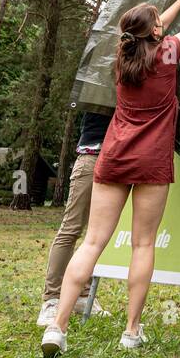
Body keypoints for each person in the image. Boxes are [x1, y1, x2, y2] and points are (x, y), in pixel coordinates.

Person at [40, 0, 180, 358]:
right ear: (155, 33)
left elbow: (152, 32)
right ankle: (131, 331)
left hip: (114, 156)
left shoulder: (123, 60)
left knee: (91, 242)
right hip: (151, 161)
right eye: (158, 22)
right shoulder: (169, 54)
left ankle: (57, 327)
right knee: (143, 245)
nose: (163, 25)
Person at [36, 110, 112, 326]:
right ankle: (51, 299)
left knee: (96, 235)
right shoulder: (97, 80)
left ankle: (83, 296)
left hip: (120, 158)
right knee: (71, 229)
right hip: (93, 156)